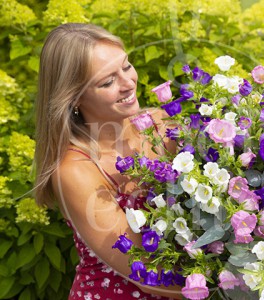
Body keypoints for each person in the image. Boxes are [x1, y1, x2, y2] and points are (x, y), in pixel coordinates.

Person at [34, 23, 181, 300]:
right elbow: (148, 273)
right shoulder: (75, 170)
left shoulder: (161, 125)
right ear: (74, 97)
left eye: (126, 67)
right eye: (107, 82)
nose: (128, 84)